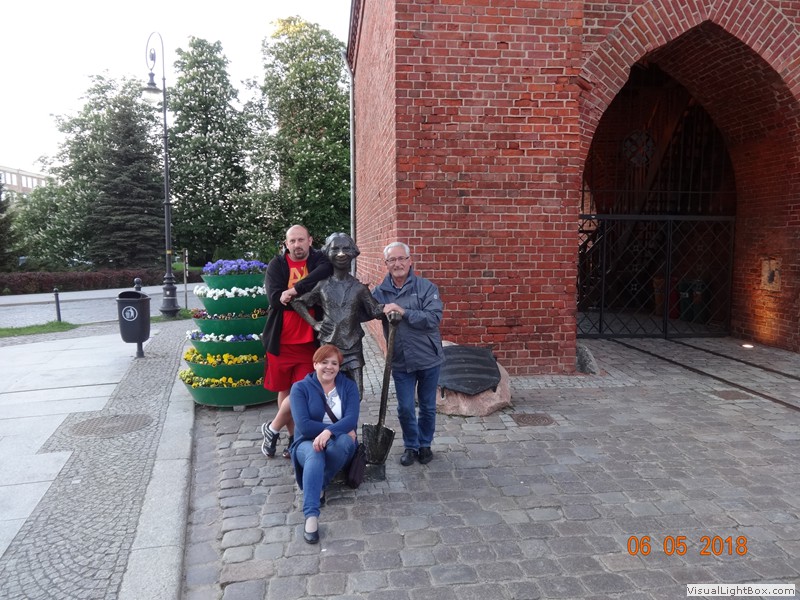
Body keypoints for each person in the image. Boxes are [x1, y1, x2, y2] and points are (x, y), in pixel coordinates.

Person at [260, 225, 332, 459]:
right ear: (286, 243)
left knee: (301, 392)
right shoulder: (277, 265)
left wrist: (293, 291)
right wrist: (305, 294)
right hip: (281, 341)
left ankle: (272, 428)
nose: (297, 245)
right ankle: (293, 439)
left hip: (308, 344)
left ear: (310, 240)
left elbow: (325, 271)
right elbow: (275, 299)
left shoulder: (319, 260)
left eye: (301, 240)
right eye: (292, 241)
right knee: (285, 390)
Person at [372, 241, 444, 466]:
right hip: (400, 359)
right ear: (386, 264)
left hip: (428, 357)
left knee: (427, 406)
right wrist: (379, 307)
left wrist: (403, 311)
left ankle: (425, 445)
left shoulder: (426, 287)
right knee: (405, 407)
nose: (397, 264)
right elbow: (365, 310)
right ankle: (411, 446)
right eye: (392, 260)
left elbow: (433, 318)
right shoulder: (380, 292)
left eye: (401, 258)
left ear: (410, 261)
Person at [291, 232, 385, 400]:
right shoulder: (323, 286)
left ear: (353, 253)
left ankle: (350, 417)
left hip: (353, 346)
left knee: (356, 394)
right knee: (327, 394)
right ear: (327, 253)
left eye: (346, 249)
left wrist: (389, 310)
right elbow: (298, 302)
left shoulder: (359, 288)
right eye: (335, 249)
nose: (341, 254)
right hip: (328, 346)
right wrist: (314, 323)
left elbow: (374, 311)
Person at [289, 344, 359, 544]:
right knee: (315, 453)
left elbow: (351, 419)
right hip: (306, 441)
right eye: (324, 362)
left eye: (334, 363)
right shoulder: (300, 388)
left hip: (338, 440)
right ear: (315, 364)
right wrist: (333, 429)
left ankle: (318, 482)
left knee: (345, 441)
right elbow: (304, 425)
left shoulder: (348, 386)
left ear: (339, 367)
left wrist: (329, 432)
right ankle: (311, 515)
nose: (329, 367)